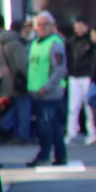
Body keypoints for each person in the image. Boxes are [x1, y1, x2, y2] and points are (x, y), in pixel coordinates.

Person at [26, 11, 69, 167]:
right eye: (39, 24)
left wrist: (48, 87)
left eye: (45, 24)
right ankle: (60, 155)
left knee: (45, 126)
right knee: (53, 125)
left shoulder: (54, 44)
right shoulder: (35, 43)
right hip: (36, 90)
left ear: (52, 26)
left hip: (49, 92)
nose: (42, 27)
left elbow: (60, 69)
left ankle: (44, 155)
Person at [64, 17, 96, 145]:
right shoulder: (71, 41)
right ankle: (71, 133)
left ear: (87, 26)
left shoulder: (90, 42)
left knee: (88, 106)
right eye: (76, 27)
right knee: (73, 107)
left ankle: (92, 133)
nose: (78, 29)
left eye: (80, 26)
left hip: (86, 76)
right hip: (74, 76)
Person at [0, 16, 31, 144]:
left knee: (15, 109)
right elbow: (22, 64)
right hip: (18, 82)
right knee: (24, 108)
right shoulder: (15, 44)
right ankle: (23, 135)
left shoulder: (2, 43)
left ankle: (5, 128)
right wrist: (31, 78)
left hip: (5, 82)